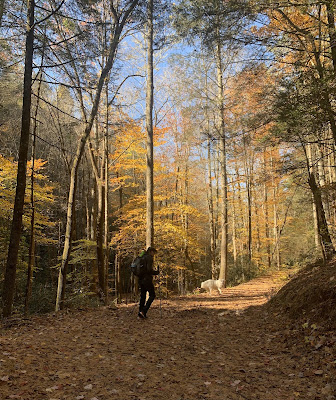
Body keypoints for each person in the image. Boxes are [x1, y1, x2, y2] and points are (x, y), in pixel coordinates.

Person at [138, 246, 159, 319]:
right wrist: (156, 272)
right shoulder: (149, 258)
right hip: (147, 279)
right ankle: (143, 311)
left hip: (140, 279)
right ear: (151, 251)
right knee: (152, 295)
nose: (154, 254)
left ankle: (140, 312)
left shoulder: (142, 257)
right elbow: (149, 270)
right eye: (154, 253)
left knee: (143, 296)